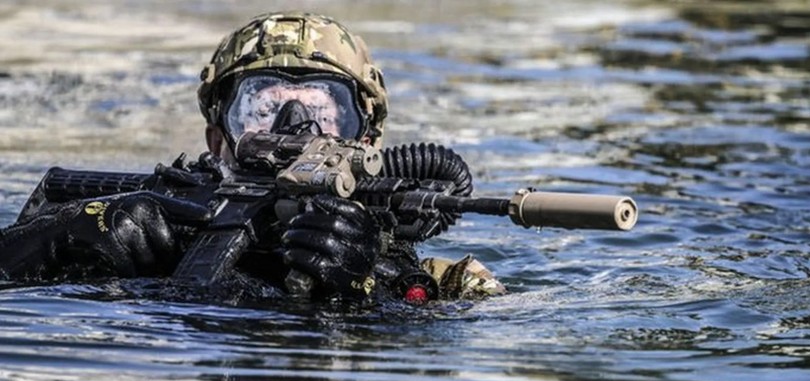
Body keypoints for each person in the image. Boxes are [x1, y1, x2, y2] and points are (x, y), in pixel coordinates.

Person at [0, 12, 504, 302]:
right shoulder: (160, 221)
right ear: (217, 137)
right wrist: (62, 238)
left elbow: (489, 348)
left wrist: (366, 290)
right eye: (262, 106)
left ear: (368, 141)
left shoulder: (447, 280)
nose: (292, 128)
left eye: (323, 112)